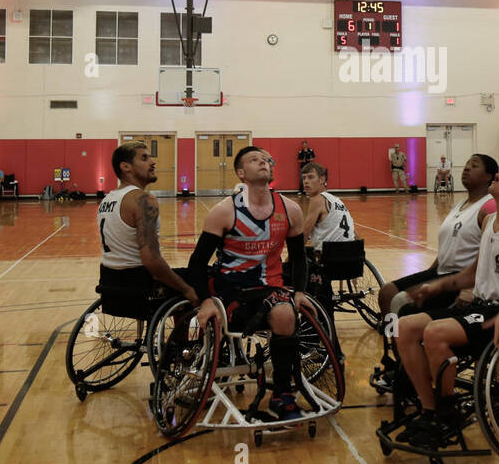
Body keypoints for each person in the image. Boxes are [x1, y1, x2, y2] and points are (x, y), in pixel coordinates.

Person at [393, 157, 499, 446]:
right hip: (482, 309)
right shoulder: (492, 221)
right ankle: (430, 409)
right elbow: (471, 274)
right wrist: (435, 286)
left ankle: (447, 411)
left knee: (434, 333)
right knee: (404, 326)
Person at [186, 147, 311, 421]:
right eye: (255, 160)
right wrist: (206, 300)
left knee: (286, 312)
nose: (264, 162)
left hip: (270, 288)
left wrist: (300, 291)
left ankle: (282, 394)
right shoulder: (224, 212)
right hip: (231, 290)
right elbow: (196, 264)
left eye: (267, 159)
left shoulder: (290, 209)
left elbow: (300, 258)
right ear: (241, 173)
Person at [377, 154, 499, 318]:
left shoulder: (488, 207)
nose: (467, 168)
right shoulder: (460, 205)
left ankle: (399, 337)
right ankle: (390, 335)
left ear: (488, 177)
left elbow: (491, 252)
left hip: (461, 278)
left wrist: (469, 287)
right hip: (441, 271)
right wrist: (429, 272)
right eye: (466, 164)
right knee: (387, 292)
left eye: (474, 165)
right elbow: (448, 246)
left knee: (401, 301)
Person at [98, 140, 200, 306]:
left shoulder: (108, 198)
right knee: (202, 280)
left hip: (109, 280)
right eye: (144, 158)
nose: (153, 162)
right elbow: (152, 260)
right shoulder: (143, 200)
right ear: (126, 167)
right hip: (138, 283)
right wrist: (186, 289)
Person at [299, 161, 354, 323]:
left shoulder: (317, 200)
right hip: (350, 258)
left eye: (311, 177)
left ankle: (308, 318)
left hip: (329, 260)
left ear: (322, 179)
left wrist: (292, 256)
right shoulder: (337, 200)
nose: (306, 182)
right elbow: (355, 233)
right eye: (304, 178)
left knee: (290, 270)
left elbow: (304, 234)